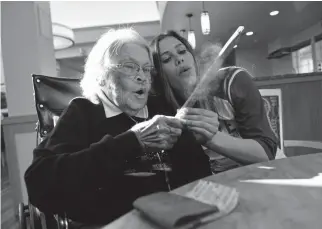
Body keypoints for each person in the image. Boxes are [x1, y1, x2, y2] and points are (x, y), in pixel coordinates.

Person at [24, 28, 211, 226]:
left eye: (146, 69)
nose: (142, 77)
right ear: (102, 76)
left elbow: (200, 170)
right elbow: (39, 183)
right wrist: (131, 141)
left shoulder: (159, 107)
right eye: (130, 67)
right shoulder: (83, 112)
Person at [151, 30, 278, 174]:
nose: (179, 59)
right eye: (167, 59)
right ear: (159, 74)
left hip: (263, 175)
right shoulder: (164, 111)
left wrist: (211, 138)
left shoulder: (232, 82)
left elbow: (266, 153)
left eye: (182, 51)